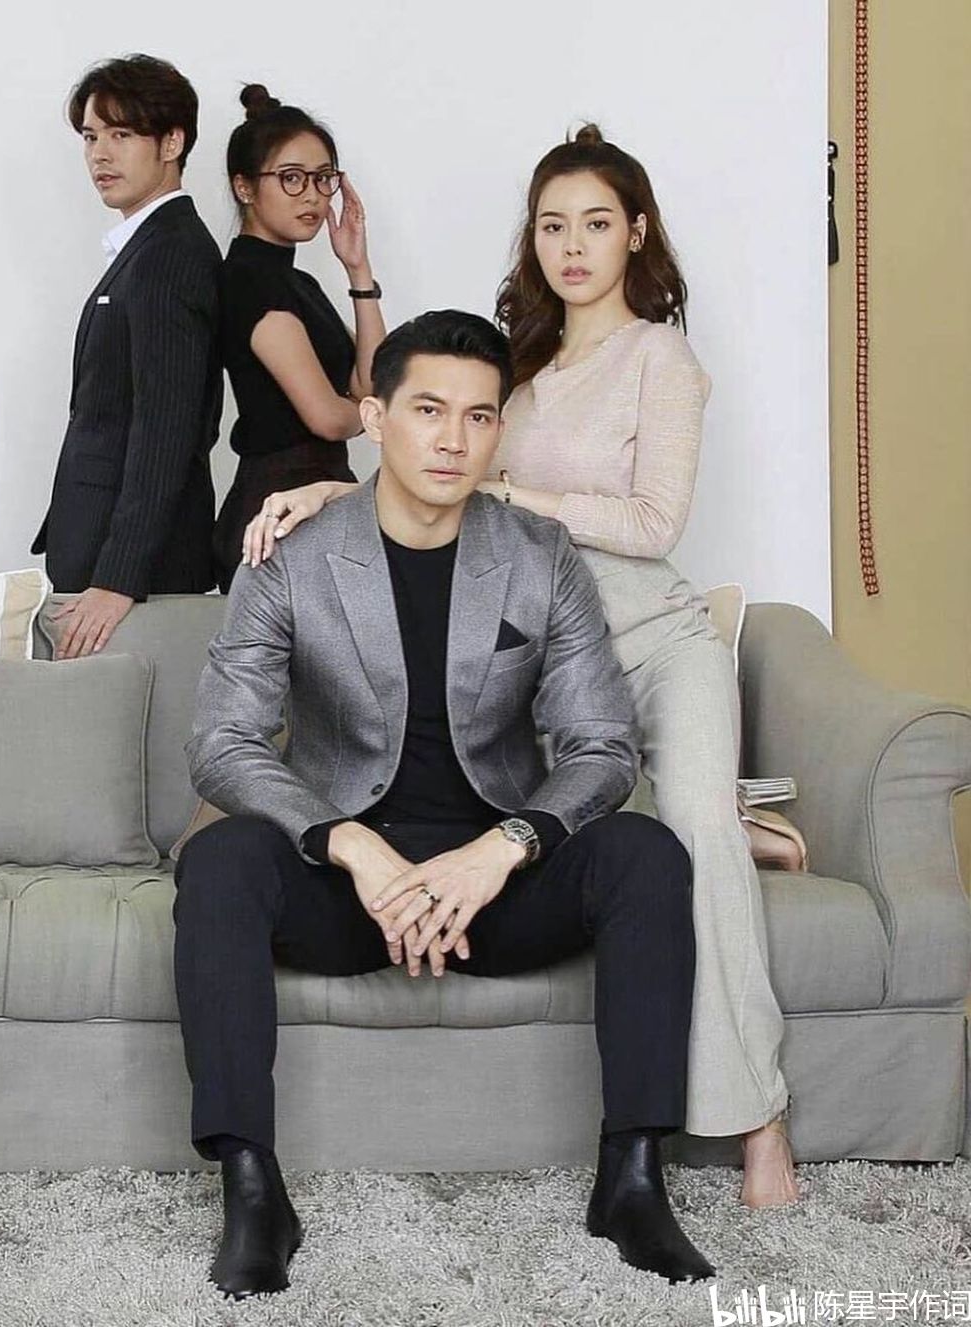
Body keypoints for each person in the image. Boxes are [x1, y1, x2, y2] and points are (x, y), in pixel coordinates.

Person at [241, 129, 798, 1209]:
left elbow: (653, 521)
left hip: (653, 640)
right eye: (552, 225)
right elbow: (428, 468)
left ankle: (760, 1114)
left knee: (692, 837)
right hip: (542, 658)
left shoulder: (661, 359)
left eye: (596, 223)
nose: (573, 246)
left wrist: (509, 497)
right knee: (567, 826)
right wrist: (324, 494)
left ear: (636, 233)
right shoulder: (518, 367)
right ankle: (734, 818)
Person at [175, 310, 715, 1299]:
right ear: (376, 417)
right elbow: (222, 741)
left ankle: (632, 1181)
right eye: (428, 410)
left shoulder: (539, 554)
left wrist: (505, 846)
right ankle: (252, 1190)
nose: (454, 439)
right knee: (219, 862)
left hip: (494, 884)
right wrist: (347, 843)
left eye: (478, 416)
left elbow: (602, 744)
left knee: (645, 853)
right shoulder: (293, 554)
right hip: (346, 884)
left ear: (499, 429)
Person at [32, 54, 223, 659]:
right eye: (91, 137)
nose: (100, 155)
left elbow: (166, 427)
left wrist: (118, 577)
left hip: (131, 576)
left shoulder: (169, 254)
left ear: (172, 142)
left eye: (121, 134)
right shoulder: (146, 248)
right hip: (102, 559)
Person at [211, 83, 385, 592]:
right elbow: (328, 417)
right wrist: (375, 414)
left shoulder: (298, 283)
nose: (312, 195)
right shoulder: (248, 280)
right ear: (245, 188)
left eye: (323, 178)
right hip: (279, 511)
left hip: (318, 502)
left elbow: (375, 380)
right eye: (291, 178)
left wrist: (358, 268)